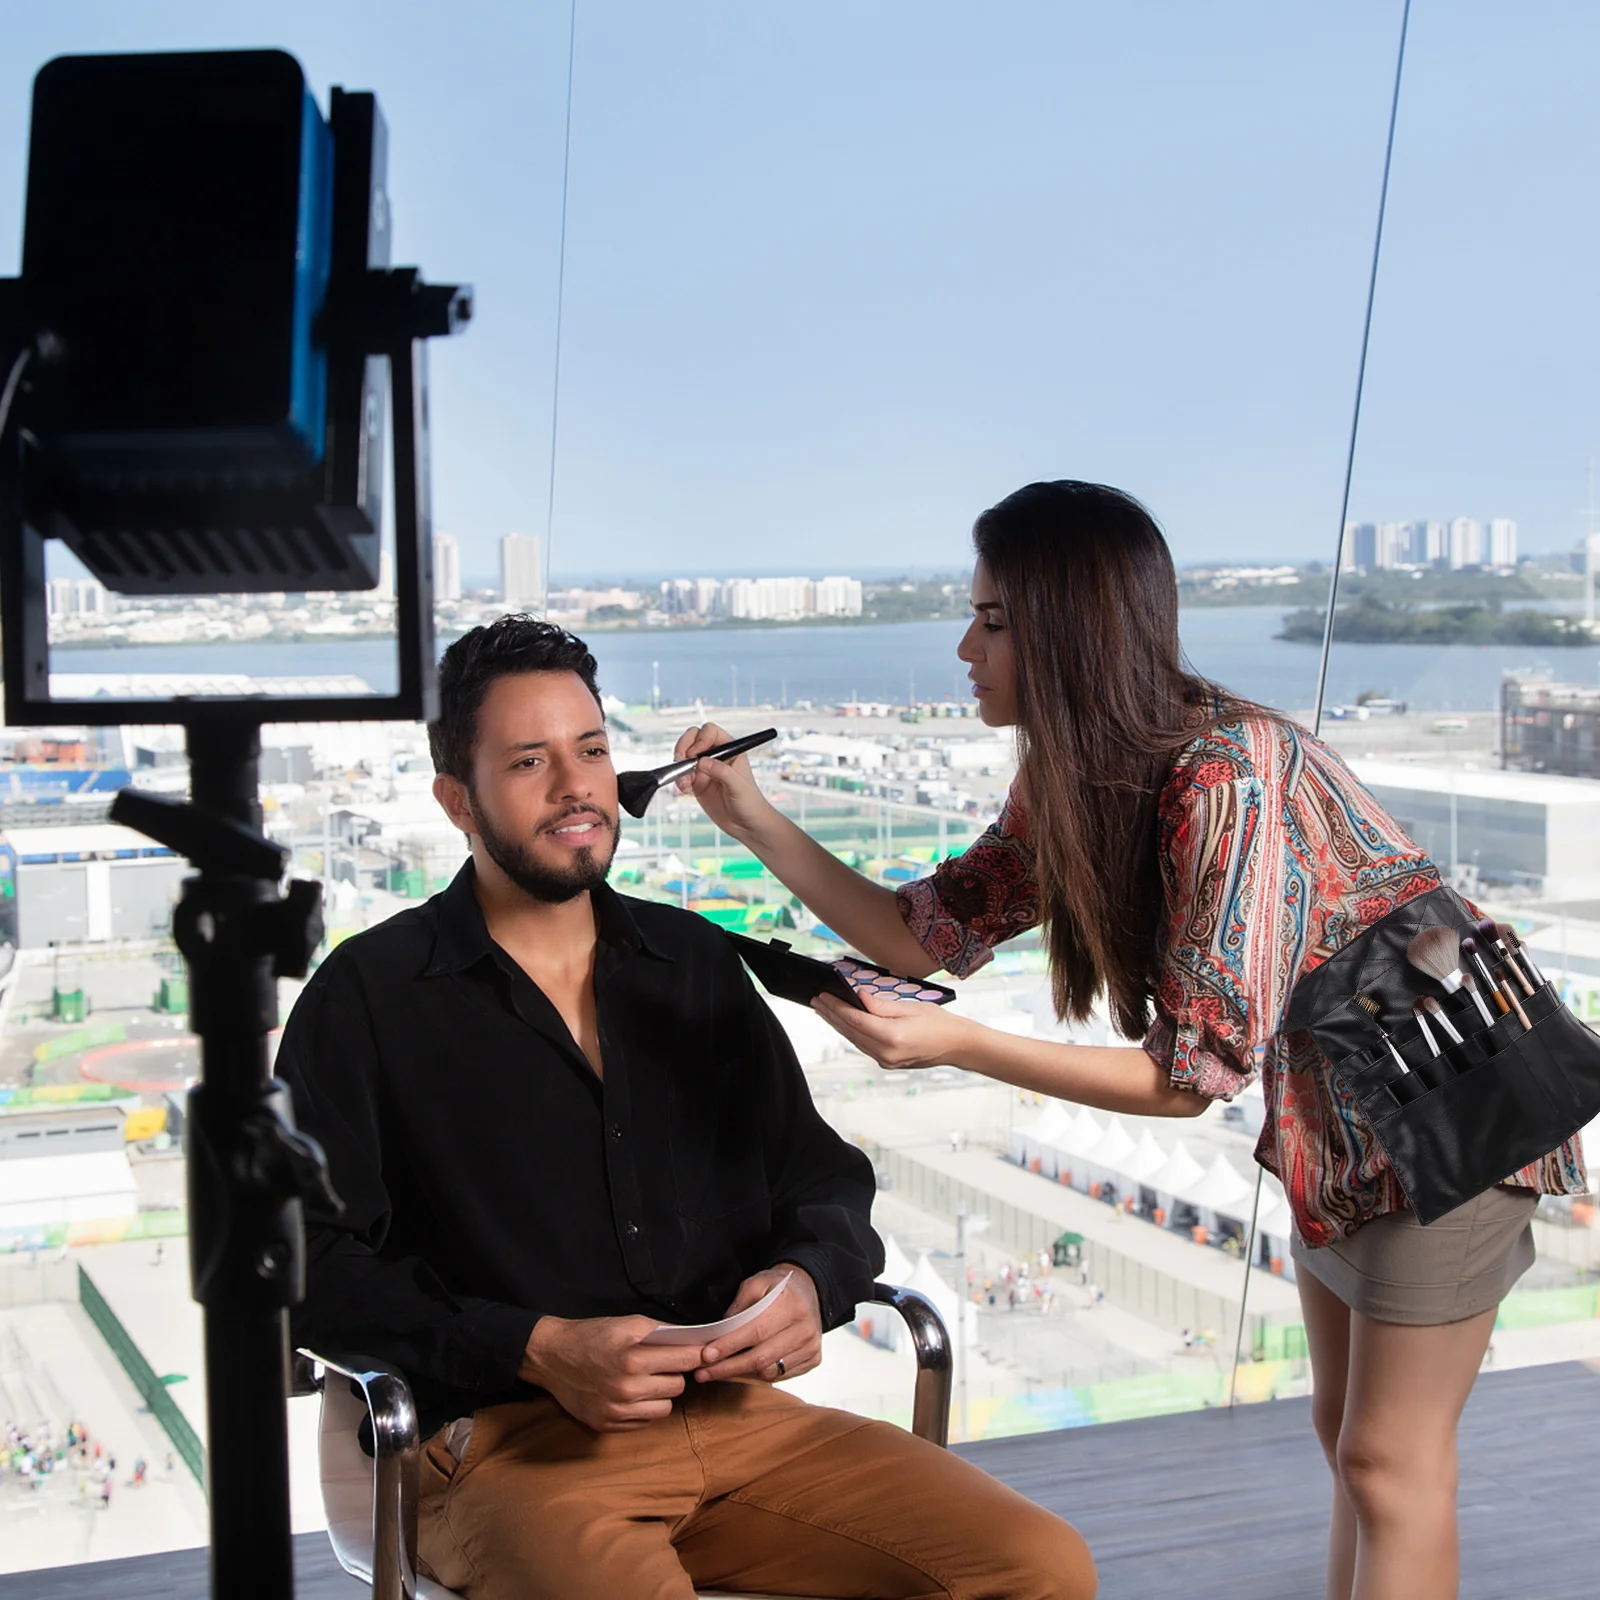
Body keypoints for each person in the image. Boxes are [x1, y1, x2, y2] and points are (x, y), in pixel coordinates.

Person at [672, 479, 1589, 1600]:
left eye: (994, 620)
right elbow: (922, 936)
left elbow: (1185, 1082)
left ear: (1071, 629)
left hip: (1450, 1100)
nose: (965, 644)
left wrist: (960, 1049)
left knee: (1388, 1462)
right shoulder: (1080, 775)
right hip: (1335, 1121)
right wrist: (753, 815)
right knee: (1345, 1436)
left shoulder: (1224, 776)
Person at [277, 617, 1095, 1600]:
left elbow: (820, 1175)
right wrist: (536, 1348)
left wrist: (807, 1277)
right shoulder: (366, 995)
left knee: (1039, 1567)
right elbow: (307, 1267)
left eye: (590, 750)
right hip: (501, 1445)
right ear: (458, 800)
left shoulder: (695, 962)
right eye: (529, 761)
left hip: (736, 1421)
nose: (575, 786)